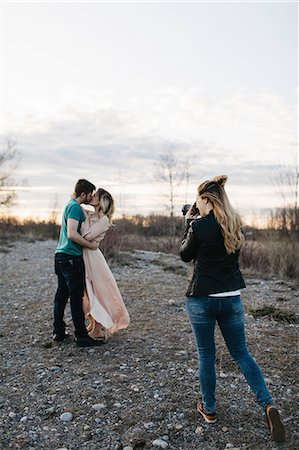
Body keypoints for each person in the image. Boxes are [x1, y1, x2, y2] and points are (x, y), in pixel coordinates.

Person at [180, 175, 285, 443]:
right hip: (231, 299)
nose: (196, 205)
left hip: (202, 298)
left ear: (206, 199)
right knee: (241, 354)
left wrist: (188, 224)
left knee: (206, 354)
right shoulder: (236, 224)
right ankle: (268, 404)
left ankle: (210, 409)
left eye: (198, 200)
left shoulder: (199, 226)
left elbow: (185, 254)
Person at [53, 179, 106, 347]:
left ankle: (59, 332)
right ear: (83, 194)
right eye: (90, 194)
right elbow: (72, 234)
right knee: (76, 298)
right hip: (71, 256)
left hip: (60, 255)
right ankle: (81, 336)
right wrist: (91, 245)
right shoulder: (75, 207)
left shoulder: (69, 205)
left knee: (61, 295)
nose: (91, 197)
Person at [81, 188, 130, 339]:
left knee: (96, 292)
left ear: (102, 201)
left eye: (95, 195)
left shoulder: (104, 221)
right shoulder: (91, 214)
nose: (92, 196)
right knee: (86, 291)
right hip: (85, 254)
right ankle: (93, 323)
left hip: (93, 258)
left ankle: (98, 327)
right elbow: (76, 206)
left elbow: (86, 236)